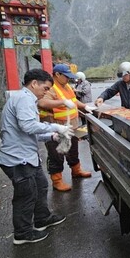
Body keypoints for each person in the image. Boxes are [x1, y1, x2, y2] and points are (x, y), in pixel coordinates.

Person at [0, 69, 74, 245]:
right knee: (26, 194)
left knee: (41, 186)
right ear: (34, 84)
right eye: (45, 88)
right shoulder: (24, 98)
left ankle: (42, 218)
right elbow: (28, 126)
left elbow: (30, 131)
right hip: (18, 158)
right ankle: (22, 233)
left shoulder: (27, 99)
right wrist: (56, 127)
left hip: (27, 156)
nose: (46, 92)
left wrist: (52, 136)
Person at [38, 64, 95, 192]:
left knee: (73, 150)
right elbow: (42, 102)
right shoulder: (50, 88)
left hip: (71, 127)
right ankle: (57, 180)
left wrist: (84, 107)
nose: (68, 79)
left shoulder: (67, 86)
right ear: (57, 75)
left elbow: (74, 101)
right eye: (66, 76)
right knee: (56, 154)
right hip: (56, 128)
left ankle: (76, 170)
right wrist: (62, 102)